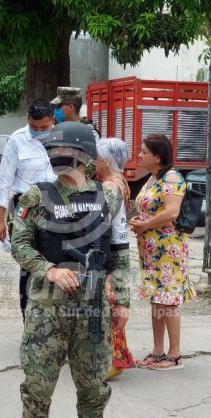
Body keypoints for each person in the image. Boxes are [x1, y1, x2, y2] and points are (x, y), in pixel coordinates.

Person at [12, 122, 127, 418]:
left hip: (92, 310)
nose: (56, 155)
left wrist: (123, 300)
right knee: (37, 390)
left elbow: (119, 250)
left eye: (63, 149)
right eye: (52, 150)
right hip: (46, 312)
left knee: (93, 393)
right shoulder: (36, 196)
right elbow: (19, 244)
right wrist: (47, 269)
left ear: (83, 154)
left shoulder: (109, 196)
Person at [129, 134, 194, 370]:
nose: (139, 155)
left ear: (157, 156)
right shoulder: (152, 178)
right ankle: (158, 351)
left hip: (168, 251)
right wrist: (139, 221)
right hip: (151, 250)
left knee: (169, 301)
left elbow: (171, 212)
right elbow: (150, 209)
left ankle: (174, 354)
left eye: (144, 152)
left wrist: (145, 225)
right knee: (157, 300)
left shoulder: (172, 178)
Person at [0, 100, 57, 318]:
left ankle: (53, 319)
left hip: (58, 210)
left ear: (52, 120)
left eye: (43, 127)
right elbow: (3, 183)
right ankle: (28, 319)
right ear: (27, 120)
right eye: (34, 127)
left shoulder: (63, 137)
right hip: (26, 211)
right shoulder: (17, 140)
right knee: (29, 264)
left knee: (56, 261)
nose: (38, 131)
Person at [95, 138, 135, 380]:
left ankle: (113, 359)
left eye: (97, 157)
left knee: (109, 305)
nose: (94, 162)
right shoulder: (120, 181)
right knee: (112, 304)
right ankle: (114, 356)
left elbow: (100, 219)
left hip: (111, 248)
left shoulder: (110, 186)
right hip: (117, 245)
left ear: (107, 160)